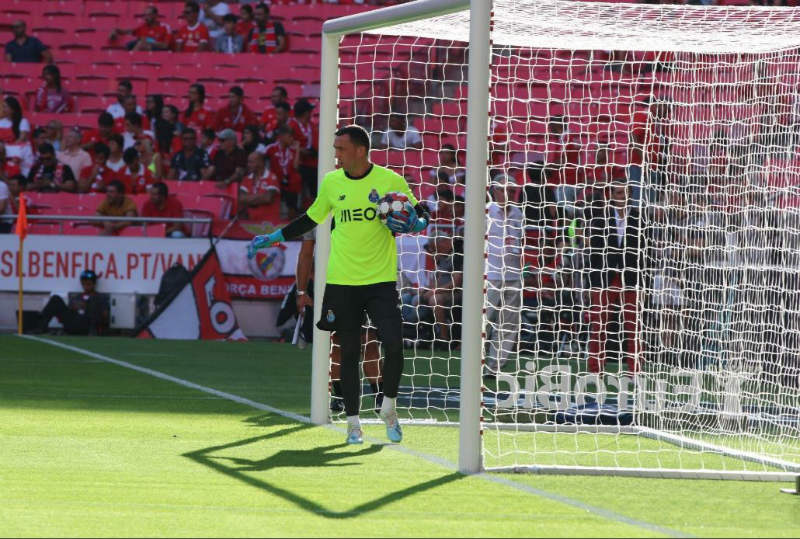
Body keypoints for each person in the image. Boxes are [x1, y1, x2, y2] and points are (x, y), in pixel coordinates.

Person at [248, 124, 430, 445]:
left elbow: (419, 211)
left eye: (341, 148)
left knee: (394, 344)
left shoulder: (390, 181)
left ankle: (388, 408)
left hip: (381, 280)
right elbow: (310, 218)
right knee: (347, 352)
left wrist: (418, 222)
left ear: (360, 150)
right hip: (342, 281)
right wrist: (275, 237)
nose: (336, 154)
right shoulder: (332, 182)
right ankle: (353, 423)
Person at [294, 232, 384, 413]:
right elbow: (306, 254)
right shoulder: (317, 216)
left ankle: (380, 397)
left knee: (368, 341)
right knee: (336, 342)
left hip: (365, 280)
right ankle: (340, 396)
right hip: (332, 287)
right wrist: (302, 292)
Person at [587, 180, 642, 373]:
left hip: (631, 278)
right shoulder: (600, 219)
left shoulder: (639, 219)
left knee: (632, 327)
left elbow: (645, 251)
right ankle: (595, 369)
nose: (623, 197)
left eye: (625, 193)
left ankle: (635, 370)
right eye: (619, 193)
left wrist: (643, 282)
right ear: (611, 196)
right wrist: (593, 282)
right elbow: (592, 252)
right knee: (599, 326)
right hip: (604, 278)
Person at [483, 177, 524, 376]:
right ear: (495, 190)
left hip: (513, 272)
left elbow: (522, 239)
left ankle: (494, 366)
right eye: (503, 189)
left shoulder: (518, 212)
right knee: (484, 320)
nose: (507, 193)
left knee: (508, 323)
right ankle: (476, 362)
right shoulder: (485, 211)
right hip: (490, 273)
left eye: (511, 190)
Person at [32, 270, 109, 335]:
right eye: (84, 282)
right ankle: (41, 327)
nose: (86, 285)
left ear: (94, 283)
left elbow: (104, 316)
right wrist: (74, 307)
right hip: (74, 322)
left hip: (88, 325)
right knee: (56, 299)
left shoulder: (100, 297)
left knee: (92, 304)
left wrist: (87, 306)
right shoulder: (77, 297)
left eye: (89, 283)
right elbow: (68, 313)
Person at [265, 125, 301, 219]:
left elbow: (295, 167)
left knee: (295, 182)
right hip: (275, 182)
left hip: (289, 184)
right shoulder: (271, 148)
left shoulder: (292, 150)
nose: (292, 139)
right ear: (282, 136)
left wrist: (297, 150)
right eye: (290, 137)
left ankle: (291, 223)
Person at [289, 98, 319, 202]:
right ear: (306, 113)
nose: (311, 113)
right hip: (299, 163)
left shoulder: (312, 125)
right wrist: (302, 151)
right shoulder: (291, 126)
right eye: (310, 111)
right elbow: (289, 144)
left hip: (313, 162)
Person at [238, 151, 280, 222]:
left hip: (270, 224)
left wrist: (249, 199)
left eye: (251, 162)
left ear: (261, 162)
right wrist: (260, 197)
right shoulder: (246, 179)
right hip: (252, 223)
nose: (248, 165)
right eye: (248, 162)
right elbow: (241, 199)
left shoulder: (271, 177)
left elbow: (267, 198)